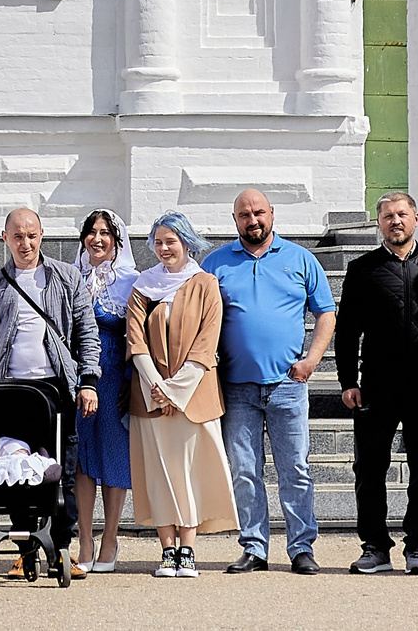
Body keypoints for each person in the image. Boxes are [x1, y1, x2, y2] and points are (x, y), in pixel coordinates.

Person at [203, 189, 336, 574]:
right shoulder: (215, 264)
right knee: (244, 471)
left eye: (259, 212)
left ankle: (301, 548)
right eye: (244, 214)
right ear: (235, 219)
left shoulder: (301, 259)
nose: (253, 220)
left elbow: (325, 313)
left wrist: (312, 360)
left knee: (294, 469)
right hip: (236, 387)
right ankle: (255, 547)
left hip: (288, 385)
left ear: (272, 214)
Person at [0, 206, 100, 576]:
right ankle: (25, 550)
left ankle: (60, 549)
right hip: (10, 389)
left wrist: (89, 382)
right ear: (5, 239)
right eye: (17, 236)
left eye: (31, 235)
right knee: (16, 468)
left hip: (55, 386)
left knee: (62, 470)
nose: (25, 243)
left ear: (41, 235)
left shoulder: (67, 277)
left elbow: (86, 333)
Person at [336, 190, 418, 575]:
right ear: (379, 224)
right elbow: (348, 331)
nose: (395, 221)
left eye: (401, 214)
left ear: (416, 218)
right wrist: (347, 381)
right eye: (387, 216)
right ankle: (375, 547)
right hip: (376, 386)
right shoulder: (362, 269)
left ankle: (417, 545)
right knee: (369, 469)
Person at [124, 210, 237, 577]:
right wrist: (156, 386)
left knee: (187, 472)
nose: (163, 248)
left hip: (192, 397)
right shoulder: (143, 285)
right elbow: (135, 340)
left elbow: (207, 344)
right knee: (158, 473)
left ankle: (187, 549)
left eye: (170, 241)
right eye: (157, 242)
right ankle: (166, 550)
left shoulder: (205, 283)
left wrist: (176, 392)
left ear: (186, 242)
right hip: (150, 394)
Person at [73, 209, 137, 572]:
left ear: (117, 240)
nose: (97, 239)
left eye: (105, 233)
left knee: (113, 454)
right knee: (83, 457)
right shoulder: (71, 276)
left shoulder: (131, 280)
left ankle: (111, 536)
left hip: (115, 378)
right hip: (80, 377)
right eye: (92, 232)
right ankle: (84, 538)